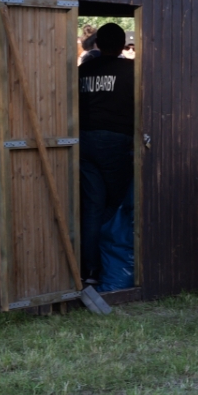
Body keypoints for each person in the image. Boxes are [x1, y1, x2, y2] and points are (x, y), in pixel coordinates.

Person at [77, 22, 135, 288]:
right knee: (116, 204)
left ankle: (90, 270)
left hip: (83, 142)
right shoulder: (132, 71)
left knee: (92, 206)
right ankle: (112, 267)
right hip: (116, 141)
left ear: (97, 43)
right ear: (122, 45)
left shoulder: (83, 71)